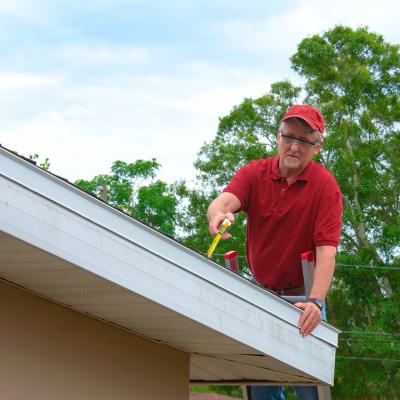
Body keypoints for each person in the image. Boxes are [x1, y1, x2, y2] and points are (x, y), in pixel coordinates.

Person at [207, 104, 342, 400]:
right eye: (288, 137)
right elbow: (223, 202)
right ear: (278, 137)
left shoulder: (325, 187)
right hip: (261, 295)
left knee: (309, 389)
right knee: (260, 387)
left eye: (304, 140)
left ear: (317, 146)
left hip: (303, 301)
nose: (294, 146)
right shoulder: (255, 173)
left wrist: (316, 303)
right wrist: (218, 215)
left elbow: (327, 251)